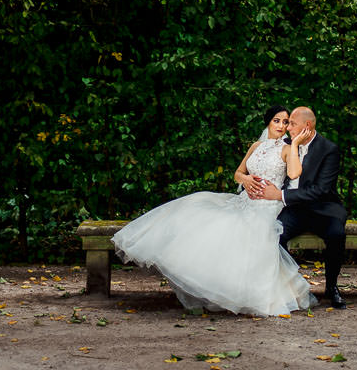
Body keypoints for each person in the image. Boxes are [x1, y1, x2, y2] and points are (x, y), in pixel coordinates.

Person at [110, 106, 318, 316]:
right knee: (199, 215)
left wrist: (295, 145)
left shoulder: (286, 148)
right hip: (244, 200)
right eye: (277, 121)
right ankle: (214, 287)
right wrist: (245, 179)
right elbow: (238, 173)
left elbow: (294, 172)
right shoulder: (256, 146)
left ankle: (249, 295)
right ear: (268, 122)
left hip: (266, 204)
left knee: (242, 231)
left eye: (285, 122)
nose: (281, 126)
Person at [253, 106, 350, 309]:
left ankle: (331, 286)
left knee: (337, 235)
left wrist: (280, 194)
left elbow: (321, 190)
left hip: (322, 209)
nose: (288, 129)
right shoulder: (285, 144)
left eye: (292, 124)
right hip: (293, 209)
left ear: (308, 126)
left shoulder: (328, 149)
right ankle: (284, 289)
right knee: (274, 234)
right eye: (287, 124)